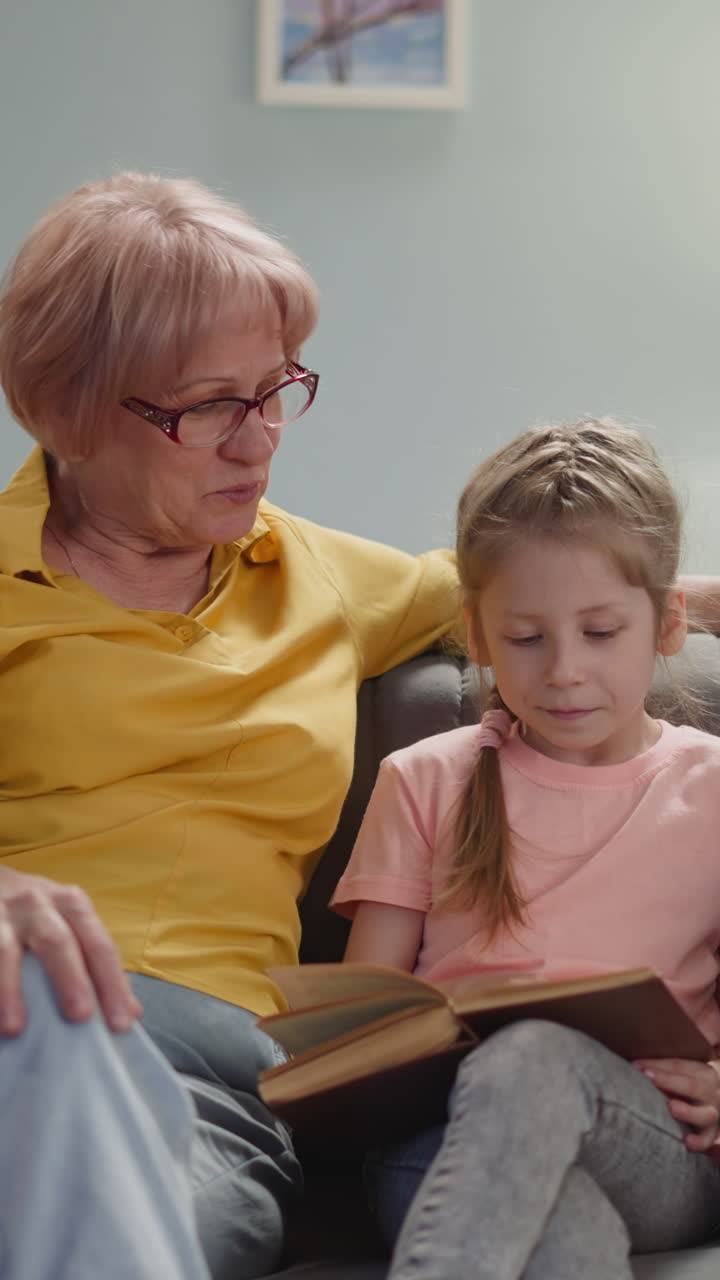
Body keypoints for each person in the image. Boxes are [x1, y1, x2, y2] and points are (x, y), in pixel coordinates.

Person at [0, 171, 462, 1280]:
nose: (257, 442)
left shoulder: (323, 574)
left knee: (174, 1226)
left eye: (276, 390)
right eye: (209, 405)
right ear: (62, 408)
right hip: (20, 1015)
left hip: (209, 1071)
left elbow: (562, 599)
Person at [333, 419, 720, 1280]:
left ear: (666, 624)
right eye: (526, 638)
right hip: (443, 1144)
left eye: (600, 632)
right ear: (476, 635)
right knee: (555, 1229)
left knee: (536, 1056)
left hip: (655, 1141)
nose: (565, 671)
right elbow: (361, 1033)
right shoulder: (424, 777)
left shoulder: (712, 786)